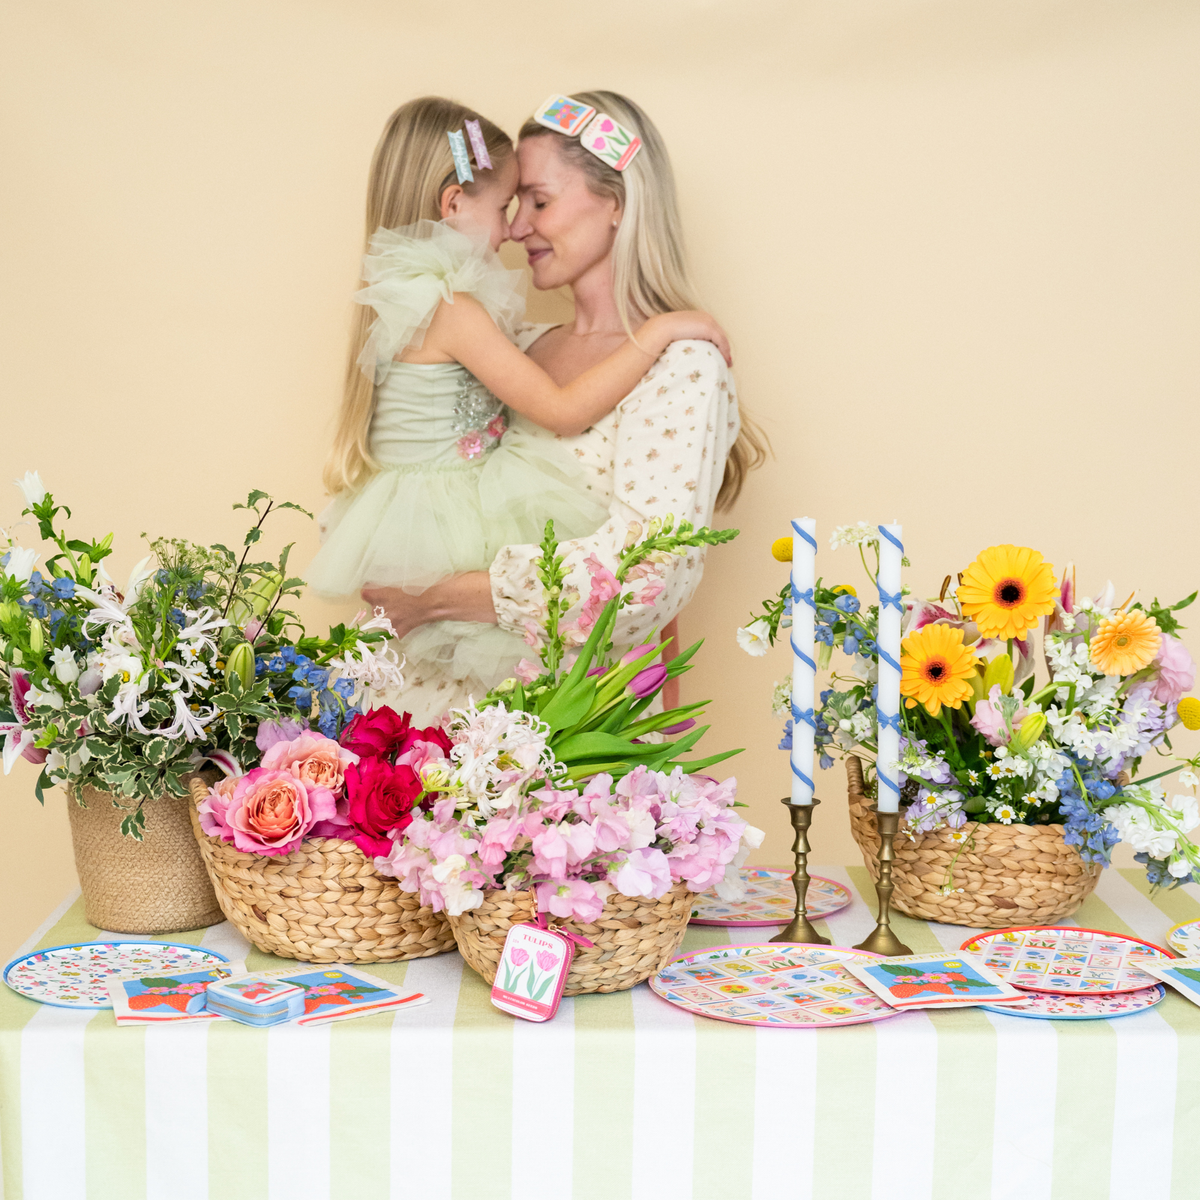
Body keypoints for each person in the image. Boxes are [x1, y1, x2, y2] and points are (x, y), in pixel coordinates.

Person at [308, 97, 731, 704]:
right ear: (453, 203)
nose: (516, 228)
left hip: (565, 716)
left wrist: (431, 597)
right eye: (509, 204)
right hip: (432, 698)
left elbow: (650, 571)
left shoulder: (684, 362)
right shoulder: (516, 342)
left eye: (539, 200)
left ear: (617, 203)